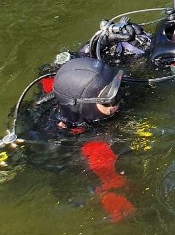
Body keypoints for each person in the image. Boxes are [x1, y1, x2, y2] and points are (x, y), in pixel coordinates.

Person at [2, 57, 136, 222]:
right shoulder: (55, 138)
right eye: (111, 98)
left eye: (118, 88)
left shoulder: (94, 104)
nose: (119, 101)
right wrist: (110, 192)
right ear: (83, 105)